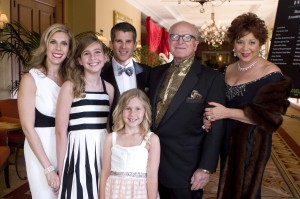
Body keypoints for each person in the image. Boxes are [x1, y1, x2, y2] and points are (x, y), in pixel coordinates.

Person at [203, 13, 292, 199]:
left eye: (251, 42)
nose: (245, 48)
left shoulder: (272, 73)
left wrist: (225, 112)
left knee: (245, 190)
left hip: (252, 142)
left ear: (260, 43)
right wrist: (210, 116)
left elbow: (270, 117)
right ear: (233, 43)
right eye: (240, 41)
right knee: (227, 184)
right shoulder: (228, 69)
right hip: (226, 136)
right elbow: (218, 101)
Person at [148, 21, 226, 199]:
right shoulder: (155, 73)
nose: (180, 41)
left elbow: (216, 127)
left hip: (185, 167)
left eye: (187, 37)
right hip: (150, 163)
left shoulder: (211, 78)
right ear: (169, 41)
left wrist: (206, 167)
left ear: (196, 44)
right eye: (175, 36)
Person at [17, 23, 76, 198]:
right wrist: (48, 168)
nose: (58, 48)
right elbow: (27, 128)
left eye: (64, 43)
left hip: (67, 149)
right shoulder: (31, 79)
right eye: (53, 42)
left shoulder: (72, 79)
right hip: (40, 152)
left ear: (69, 49)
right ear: (45, 45)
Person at [56, 35, 114, 198]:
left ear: (105, 57)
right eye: (86, 53)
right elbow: (60, 131)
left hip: (102, 148)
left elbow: (107, 126)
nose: (93, 57)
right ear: (79, 60)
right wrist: (62, 170)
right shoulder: (70, 87)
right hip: (78, 150)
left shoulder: (108, 89)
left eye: (97, 52)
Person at [100, 88, 160, 199]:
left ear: (145, 111)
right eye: (128, 108)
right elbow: (105, 173)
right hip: (114, 192)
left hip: (139, 193)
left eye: (138, 109)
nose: (132, 114)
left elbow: (152, 176)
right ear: (121, 110)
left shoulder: (151, 139)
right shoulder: (111, 138)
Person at [101, 22, 152, 129]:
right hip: (110, 136)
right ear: (111, 44)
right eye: (119, 41)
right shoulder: (100, 73)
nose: (123, 46)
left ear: (134, 45)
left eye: (128, 41)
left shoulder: (149, 73)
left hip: (141, 136)